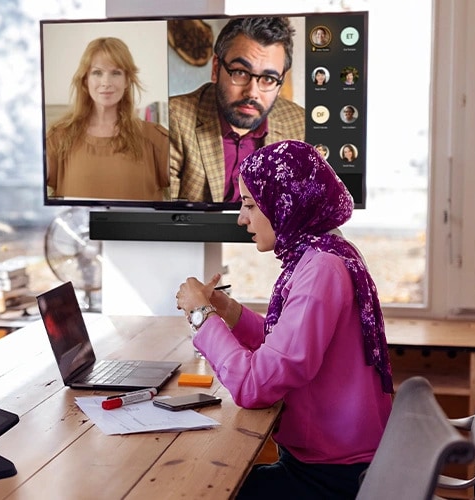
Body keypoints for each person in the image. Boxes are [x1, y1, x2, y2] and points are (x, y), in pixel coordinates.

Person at [174, 140, 392, 499]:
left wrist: (202, 316)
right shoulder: (328, 251)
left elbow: (253, 386)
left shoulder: (321, 268)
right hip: (339, 462)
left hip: (332, 478)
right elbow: (289, 344)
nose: (242, 218)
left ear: (286, 203)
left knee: (199, 488)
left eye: (248, 205)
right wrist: (229, 313)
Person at [168, 17, 306, 203]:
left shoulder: (300, 125)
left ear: (280, 84)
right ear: (216, 69)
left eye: (268, 79)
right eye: (240, 72)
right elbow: (164, 219)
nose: (252, 93)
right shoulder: (175, 119)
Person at [46, 37, 169, 201]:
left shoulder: (157, 139)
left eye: (116, 73)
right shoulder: (57, 138)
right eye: (97, 73)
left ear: (127, 80)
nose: (106, 82)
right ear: (85, 80)